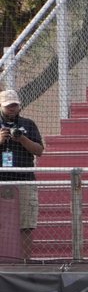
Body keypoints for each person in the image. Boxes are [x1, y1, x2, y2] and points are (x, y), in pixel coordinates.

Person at [0, 90, 45, 260]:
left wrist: (22, 139)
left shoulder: (28, 124)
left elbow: (39, 150)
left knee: (26, 223)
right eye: (8, 106)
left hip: (24, 179)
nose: (12, 108)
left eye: (15, 105)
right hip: (1, 180)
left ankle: (25, 261)